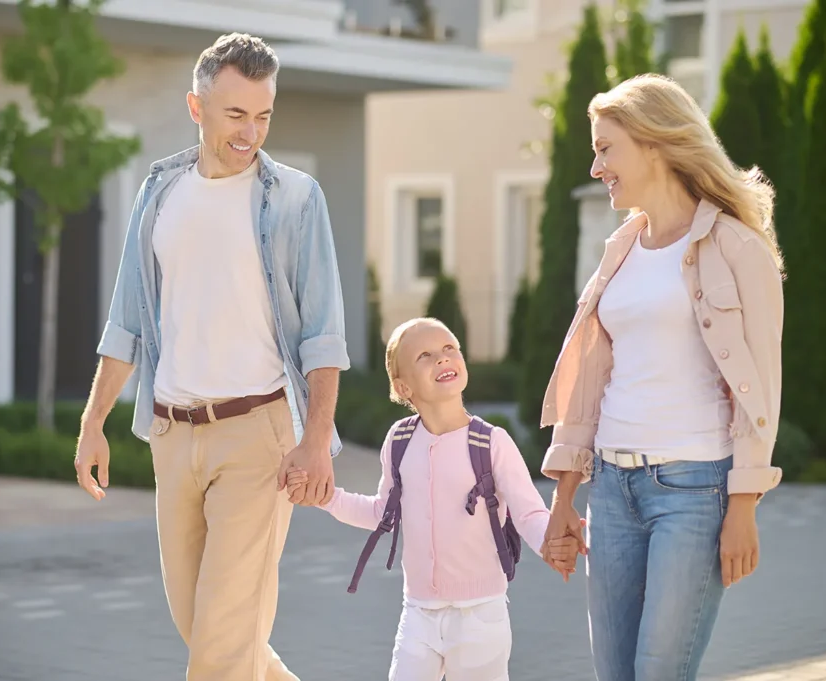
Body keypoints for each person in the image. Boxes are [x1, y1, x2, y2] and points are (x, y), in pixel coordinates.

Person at [72, 33, 351, 681]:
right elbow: (128, 320)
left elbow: (324, 336)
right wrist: (93, 421)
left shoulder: (295, 200)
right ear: (197, 108)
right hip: (173, 435)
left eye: (263, 115)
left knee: (222, 644)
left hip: (260, 438)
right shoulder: (160, 194)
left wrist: (314, 441)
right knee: (206, 628)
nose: (250, 131)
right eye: (235, 114)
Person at [539, 74, 784, 681]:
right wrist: (565, 496)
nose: (597, 166)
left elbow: (762, 384)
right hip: (613, 492)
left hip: (694, 491)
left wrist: (744, 502)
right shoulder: (620, 249)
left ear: (653, 143)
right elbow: (593, 381)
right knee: (615, 673)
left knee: (658, 672)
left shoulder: (735, 247)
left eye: (605, 148)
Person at [287, 317, 580, 681]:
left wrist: (551, 543)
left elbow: (528, 513)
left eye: (449, 349)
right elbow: (381, 512)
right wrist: (326, 498)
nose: (443, 359)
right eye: (425, 355)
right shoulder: (399, 441)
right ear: (402, 386)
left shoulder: (491, 443)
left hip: (480, 616)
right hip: (419, 613)